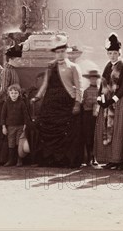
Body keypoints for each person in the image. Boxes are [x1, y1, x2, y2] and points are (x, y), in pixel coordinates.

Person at [31, 35, 83, 168]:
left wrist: (77, 103)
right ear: (55, 53)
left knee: (67, 131)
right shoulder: (50, 67)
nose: (60, 54)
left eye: (62, 52)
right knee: (45, 128)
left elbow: (79, 87)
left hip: (66, 103)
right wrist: (37, 97)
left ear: (66, 52)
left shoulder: (73, 67)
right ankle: (49, 159)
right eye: (58, 52)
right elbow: (45, 84)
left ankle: (65, 160)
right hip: (51, 103)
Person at [94, 33, 123, 170]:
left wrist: (112, 100)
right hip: (107, 102)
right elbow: (102, 85)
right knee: (107, 129)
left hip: (120, 101)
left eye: (115, 53)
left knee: (119, 130)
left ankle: (120, 160)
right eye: (110, 53)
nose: (112, 56)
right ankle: (111, 159)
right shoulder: (107, 68)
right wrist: (100, 98)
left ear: (119, 53)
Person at [1, 84, 30, 167]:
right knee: (11, 143)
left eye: (15, 93)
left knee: (19, 143)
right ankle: (11, 160)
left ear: (19, 94)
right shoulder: (6, 103)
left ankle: (19, 160)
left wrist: (25, 124)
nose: (13, 95)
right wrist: (3, 126)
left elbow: (25, 115)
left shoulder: (21, 103)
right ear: (9, 94)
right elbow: (3, 115)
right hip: (10, 127)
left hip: (20, 126)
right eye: (12, 93)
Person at [81, 70, 100, 166]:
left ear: (97, 79)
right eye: (91, 78)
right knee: (88, 135)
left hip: (97, 116)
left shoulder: (100, 90)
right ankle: (88, 157)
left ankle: (95, 157)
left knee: (96, 135)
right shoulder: (86, 91)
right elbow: (83, 104)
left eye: (95, 78)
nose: (93, 80)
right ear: (89, 79)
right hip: (88, 115)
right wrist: (90, 103)